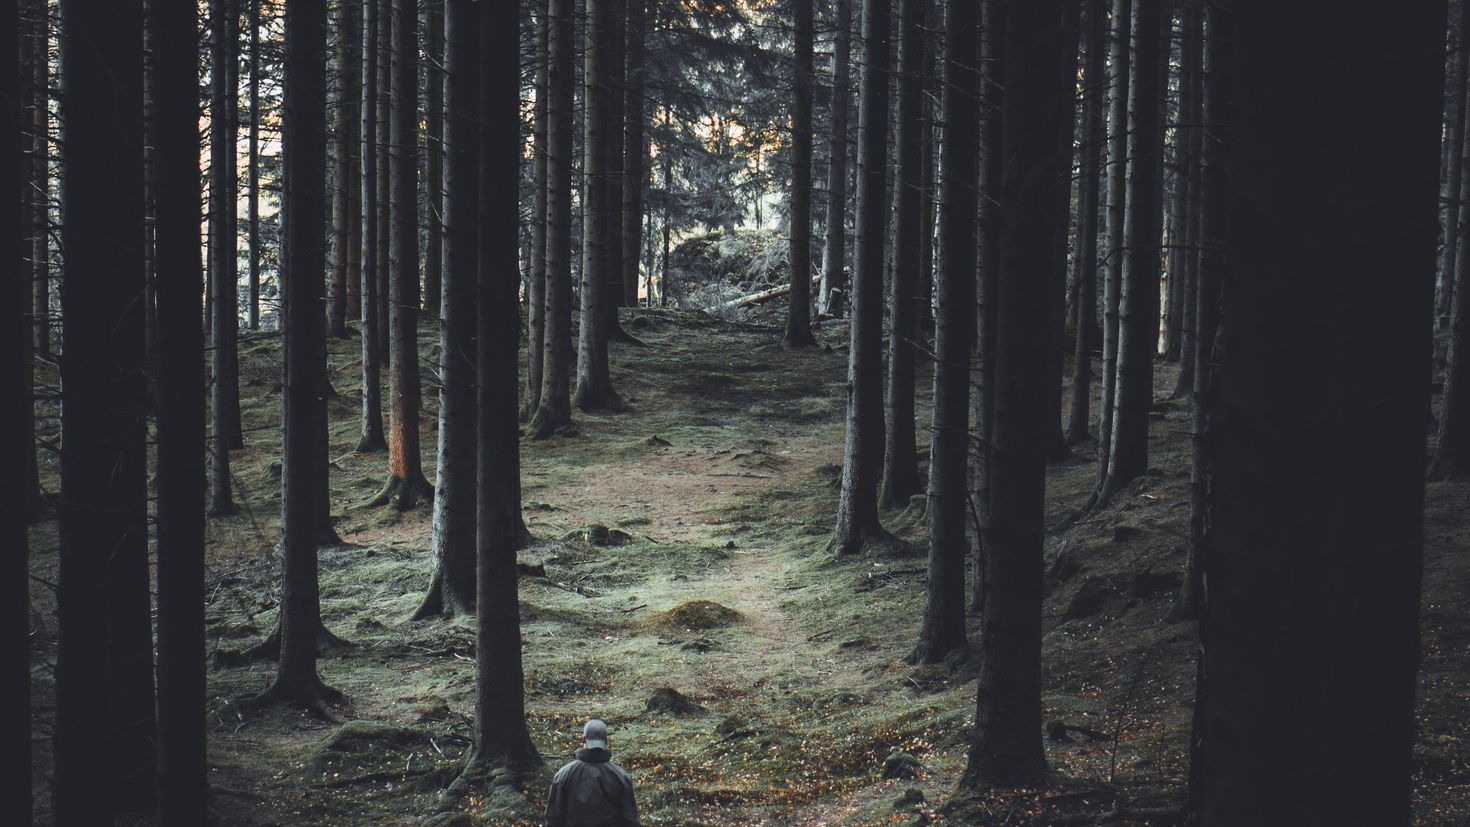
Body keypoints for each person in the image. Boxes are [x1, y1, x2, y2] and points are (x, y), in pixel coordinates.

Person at [544, 719, 640, 827]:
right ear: (606, 741)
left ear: (583, 739)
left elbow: (553, 819)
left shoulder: (563, 775)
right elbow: (631, 820)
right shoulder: (621, 777)